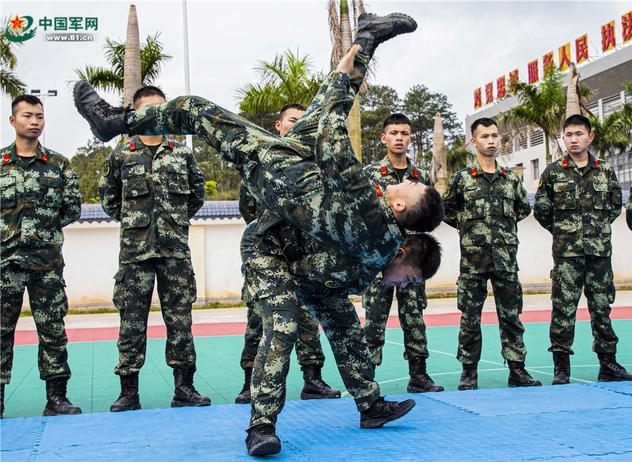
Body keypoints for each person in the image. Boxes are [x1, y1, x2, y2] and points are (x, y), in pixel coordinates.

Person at [74, 12, 438, 457]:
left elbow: (332, 137)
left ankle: (366, 404)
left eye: (413, 185)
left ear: (402, 208)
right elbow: (329, 135)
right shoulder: (378, 226)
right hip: (283, 196)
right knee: (289, 324)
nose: (410, 178)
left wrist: (332, 104)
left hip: (284, 191)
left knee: (196, 109)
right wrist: (331, 103)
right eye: (406, 278)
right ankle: (266, 424)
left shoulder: (376, 232)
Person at [99, 85, 210, 411]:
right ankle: (128, 392)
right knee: (131, 323)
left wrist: (171, 221)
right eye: (148, 109)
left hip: (174, 251)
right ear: (135, 114)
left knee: (181, 321)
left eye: (161, 108)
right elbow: (109, 201)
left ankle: (184, 388)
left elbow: (197, 195)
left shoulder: (181, 152)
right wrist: (139, 222)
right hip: (135, 255)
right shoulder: (122, 154)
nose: (155, 115)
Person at [235, 103, 340, 404]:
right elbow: (249, 213)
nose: (298, 125)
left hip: (306, 258)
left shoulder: (314, 166)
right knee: (259, 322)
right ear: (278, 126)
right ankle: (249, 384)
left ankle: (313, 379)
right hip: (269, 257)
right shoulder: (259, 166)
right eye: (292, 120)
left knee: (308, 320)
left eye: (303, 122)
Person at [534, 114, 632, 384]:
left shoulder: (605, 170)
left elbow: (615, 206)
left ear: (590, 137)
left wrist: (594, 230)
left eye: (578, 134)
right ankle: (561, 368)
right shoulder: (553, 172)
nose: (573, 139)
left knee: (602, 308)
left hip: (599, 254)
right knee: (563, 310)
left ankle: (608, 364)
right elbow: (543, 211)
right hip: (567, 255)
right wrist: (564, 232)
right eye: (568, 135)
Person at [443, 117, 541, 390]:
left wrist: (501, 234)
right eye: (485, 136)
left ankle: (517, 370)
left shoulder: (510, 179)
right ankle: (469, 372)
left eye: (495, 136)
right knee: (470, 319)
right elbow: (447, 211)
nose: (491, 141)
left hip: (506, 260)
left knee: (511, 317)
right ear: (473, 142)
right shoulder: (462, 179)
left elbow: (523, 209)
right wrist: (470, 231)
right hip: (472, 262)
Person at [0, 95, 82, 417]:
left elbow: (72, 208)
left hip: (46, 265)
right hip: (4, 264)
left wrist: (41, 231)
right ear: (13, 121)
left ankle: (56, 398)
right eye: (27, 115)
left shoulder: (59, 165)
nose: (34, 121)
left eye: (39, 116)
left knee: (52, 331)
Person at [362, 113, 443, 393]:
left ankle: (419, 375)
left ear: (410, 138)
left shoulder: (419, 176)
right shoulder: (371, 174)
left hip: (410, 259)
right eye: (394, 133)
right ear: (383, 138)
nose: (399, 138)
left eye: (404, 133)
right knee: (374, 317)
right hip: (379, 259)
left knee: (414, 315)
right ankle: (367, 378)